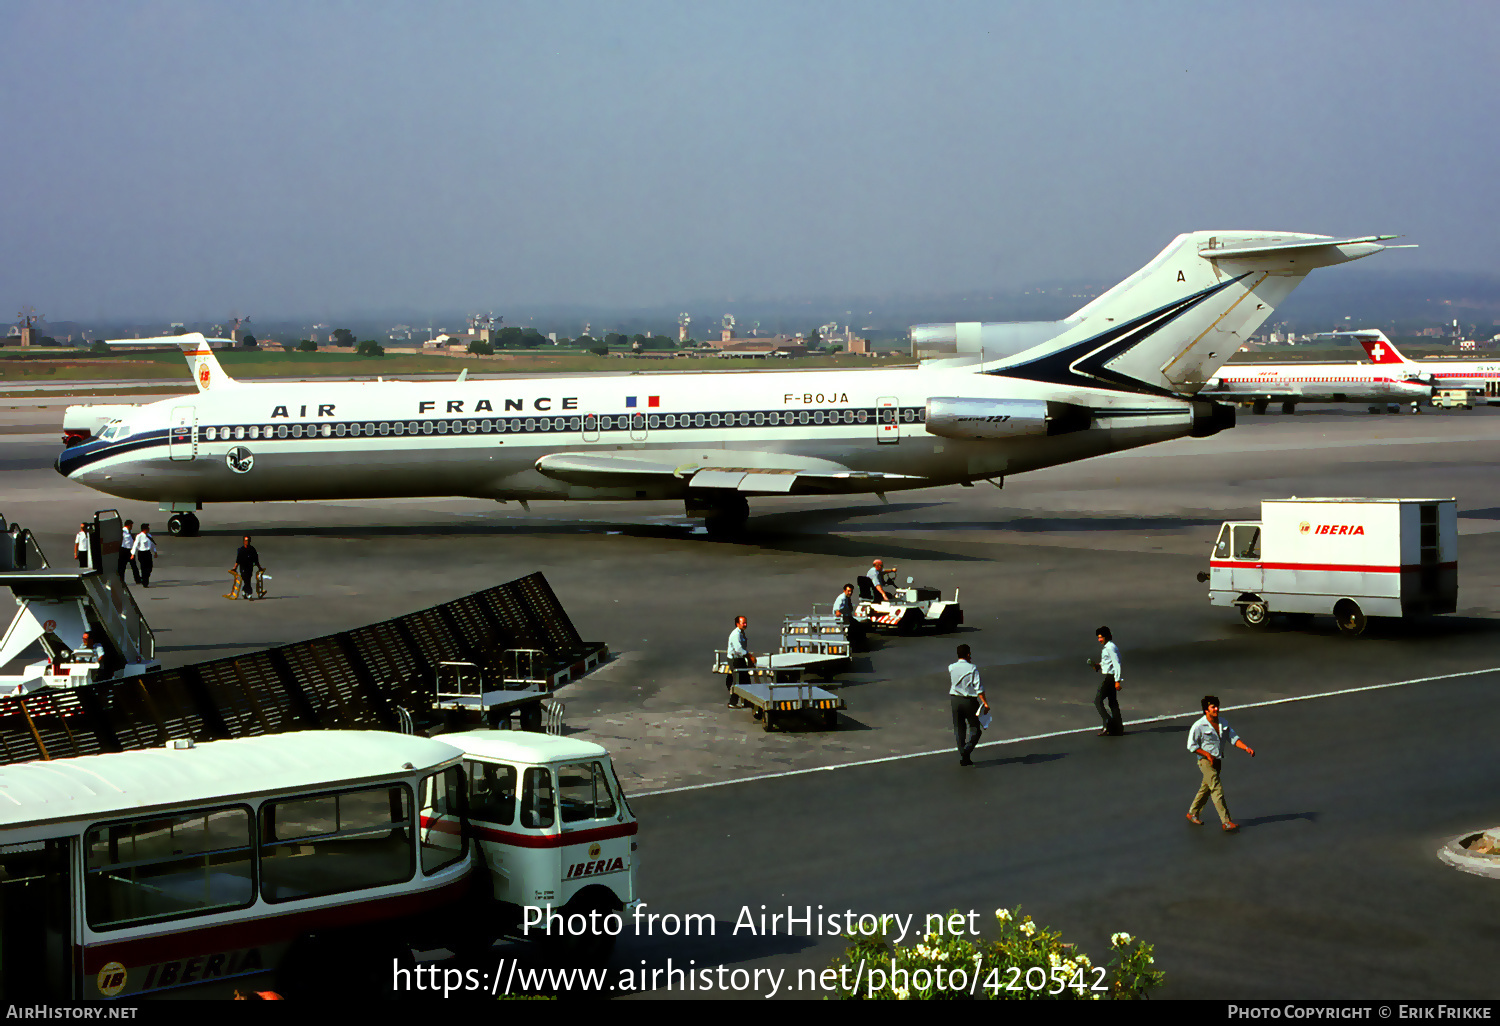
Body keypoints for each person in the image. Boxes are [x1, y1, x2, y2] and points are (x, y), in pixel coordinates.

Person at [1186, 695, 1255, 832]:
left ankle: (1192, 813)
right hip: (1205, 761)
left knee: (1206, 787)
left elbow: (1233, 738)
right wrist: (1207, 754)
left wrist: (1246, 748)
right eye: (1213, 707)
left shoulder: (1223, 722)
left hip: (1217, 760)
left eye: (1217, 706)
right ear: (1206, 710)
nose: (1216, 709)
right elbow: (1191, 746)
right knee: (1216, 789)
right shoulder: (1199, 726)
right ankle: (1226, 822)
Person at [948, 644, 988, 766]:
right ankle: (966, 751)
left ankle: (964, 756)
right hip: (969, 701)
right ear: (968, 654)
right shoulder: (972, 668)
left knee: (959, 728)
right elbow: (979, 688)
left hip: (955, 700)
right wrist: (985, 703)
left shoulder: (951, 667)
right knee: (975, 729)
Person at [1089, 626, 1124, 736]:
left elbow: (1117, 664)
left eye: (1101, 637)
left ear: (1106, 636)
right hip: (1110, 676)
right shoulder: (1108, 647)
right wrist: (1098, 666)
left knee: (1097, 701)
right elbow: (1108, 663)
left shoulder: (1110, 648)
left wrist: (1117, 681)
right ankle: (1118, 728)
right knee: (1113, 702)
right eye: (1098, 638)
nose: (1099, 640)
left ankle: (1109, 723)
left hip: (1110, 678)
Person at [725, 615, 754, 708]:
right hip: (735, 659)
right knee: (737, 681)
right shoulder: (736, 634)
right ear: (738, 624)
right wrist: (749, 657)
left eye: (746, 622)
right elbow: (739, 649)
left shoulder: (741, 633)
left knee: (746, 680)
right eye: (743, 623)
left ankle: (747, 701)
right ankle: (732, 703)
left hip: (740, 658)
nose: (745, 624)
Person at [833, 582, 866, 651]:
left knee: (859, 625)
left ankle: (857, 643)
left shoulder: (847, 598)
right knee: (856, 627)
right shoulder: (842, 598)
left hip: (848, 617)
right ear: (844, 591)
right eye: (848, 591)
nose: (850, 592)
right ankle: (856, 645)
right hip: (843, 618)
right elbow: (837, 611)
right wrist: (841, 616)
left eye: (851, 591)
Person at [131, 523, 158, 588]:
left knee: (149, 567)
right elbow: (135, 545)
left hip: (148, 553)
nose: (149, 529)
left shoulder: (149, 536)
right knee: (143, 568)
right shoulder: (139, 536)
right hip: (141, 553)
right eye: (148, 528)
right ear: (145, 529)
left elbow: (152, 544)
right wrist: (132, 554)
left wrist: (155, 552)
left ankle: (144, 578)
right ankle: (145, 583)